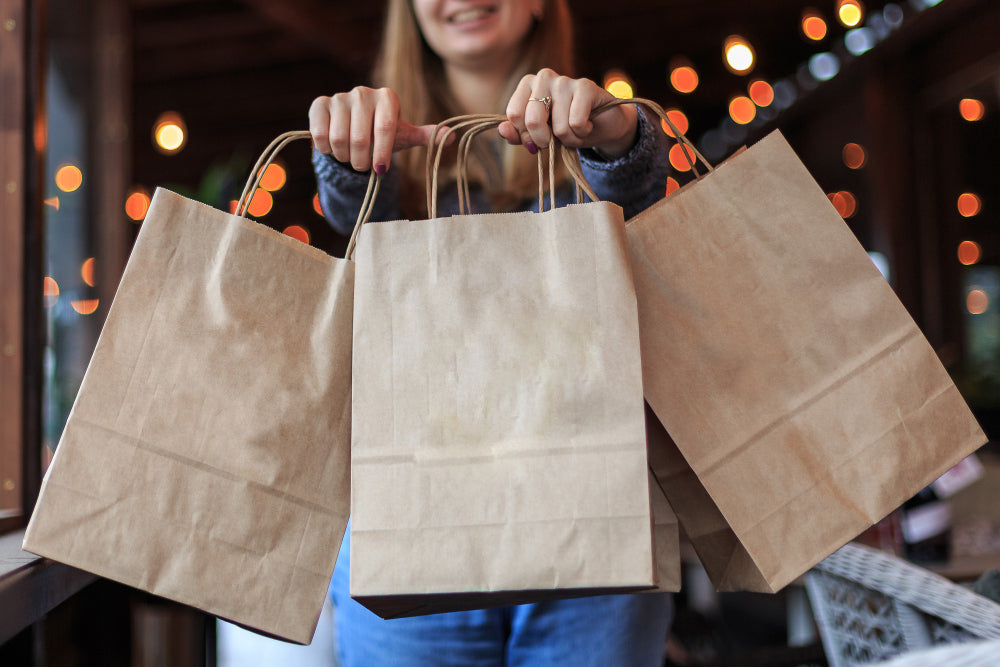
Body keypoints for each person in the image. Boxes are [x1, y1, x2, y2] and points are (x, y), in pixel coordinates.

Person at [309, 1, 673, 664]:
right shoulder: (381, 139)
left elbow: (638, 186)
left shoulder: (595, 128)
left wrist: (617, 138)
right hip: (411, 524)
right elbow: (355, 213)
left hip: (595, 525)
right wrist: (350, 154)